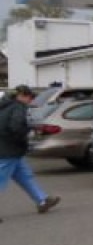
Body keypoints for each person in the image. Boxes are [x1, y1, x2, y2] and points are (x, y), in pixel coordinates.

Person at [0, 85, 60, 222]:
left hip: (10, 150)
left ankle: (42, 201)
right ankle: (42, 200)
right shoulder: (18, 107)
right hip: (8, 150)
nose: (30, 99)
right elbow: (16, 127)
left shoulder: (4, 106)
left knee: (25, 176)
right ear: (21, 96)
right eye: (29, 97)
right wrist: (29, 132)